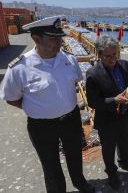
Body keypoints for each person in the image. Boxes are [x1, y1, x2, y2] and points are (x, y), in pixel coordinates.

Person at [0, 16, 95, 193]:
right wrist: (37, 108)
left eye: (60, 36)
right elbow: (11, 98)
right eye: (54, 37)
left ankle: (80, 183)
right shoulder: (19, 68)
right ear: (36, 38)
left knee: (75, 156)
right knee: (50, 165)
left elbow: (74, 83)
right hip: (41, 126)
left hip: (71, 119)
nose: (60, 41)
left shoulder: (69, 59)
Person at [86, 35, 128, 190]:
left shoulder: (124, 65)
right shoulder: (93, 73)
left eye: (114, 55)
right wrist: (114, 100)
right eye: (107, 56)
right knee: (108, 148)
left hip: (124, 113)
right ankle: (111, 173)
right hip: (107, 119)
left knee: (124, 141)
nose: (112, 59)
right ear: (99, 55)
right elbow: (92, 102)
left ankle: (124, 161)